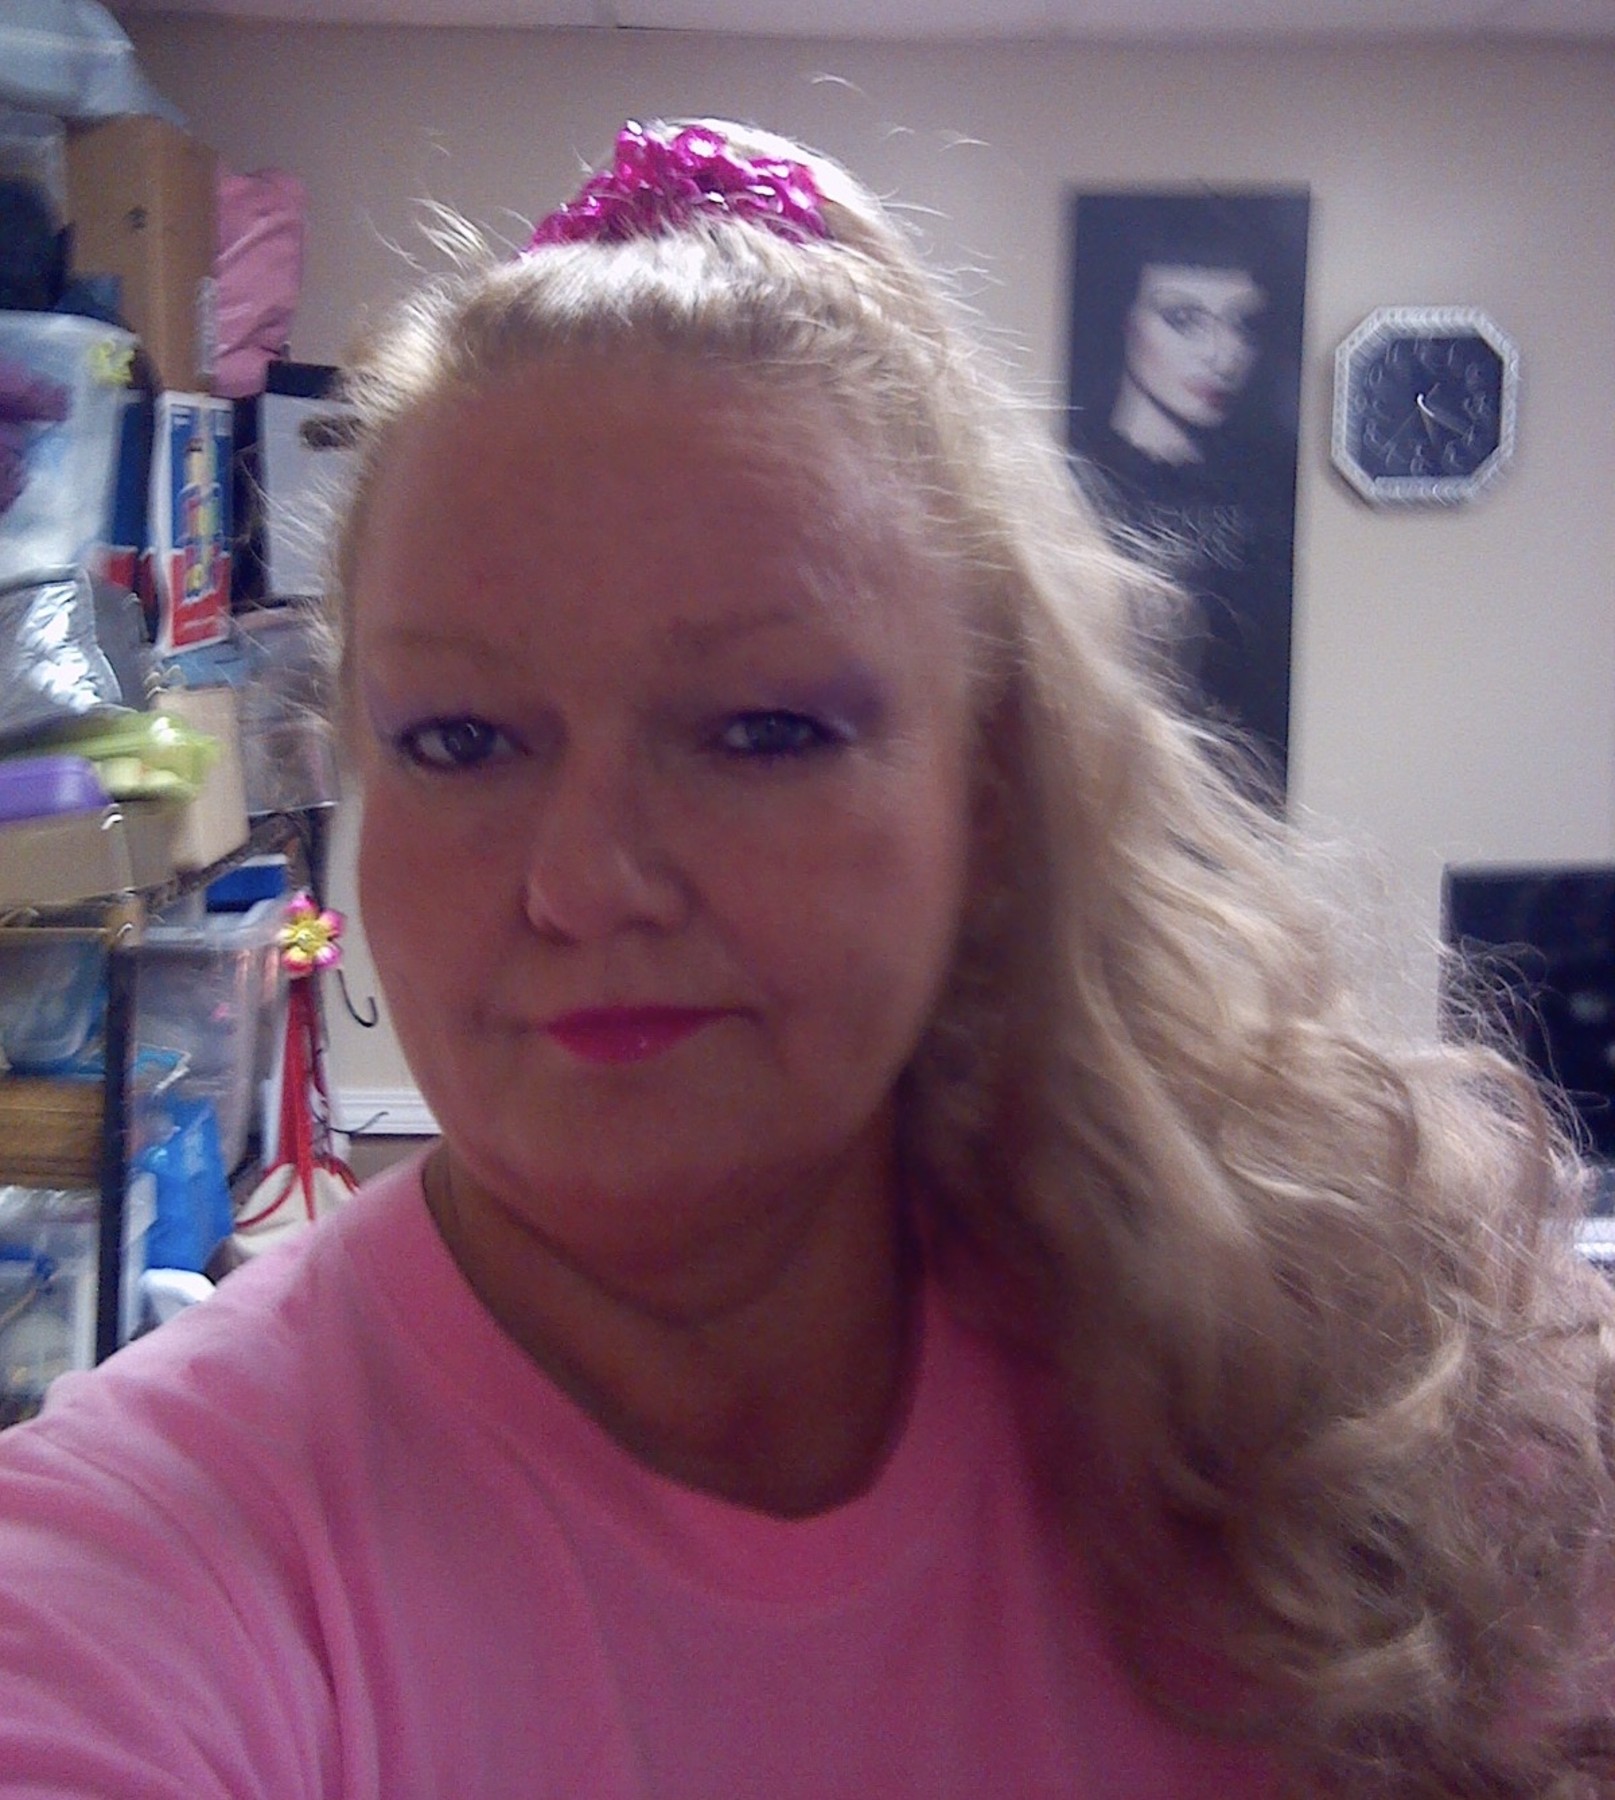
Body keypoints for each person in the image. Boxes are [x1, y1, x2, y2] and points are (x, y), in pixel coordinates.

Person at [0, 117, 1612, 1799]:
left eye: (762, 729)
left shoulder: (1377, 1381)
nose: (582, 885)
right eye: (461, 739)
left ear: (989, 797)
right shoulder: (149, 1569)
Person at [1067, 193, 1307, 787]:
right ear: (1125, 320)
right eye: (1183, 319)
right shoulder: (1069, 481)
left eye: (1243, 325)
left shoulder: (1266, 501)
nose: (1223, 356)